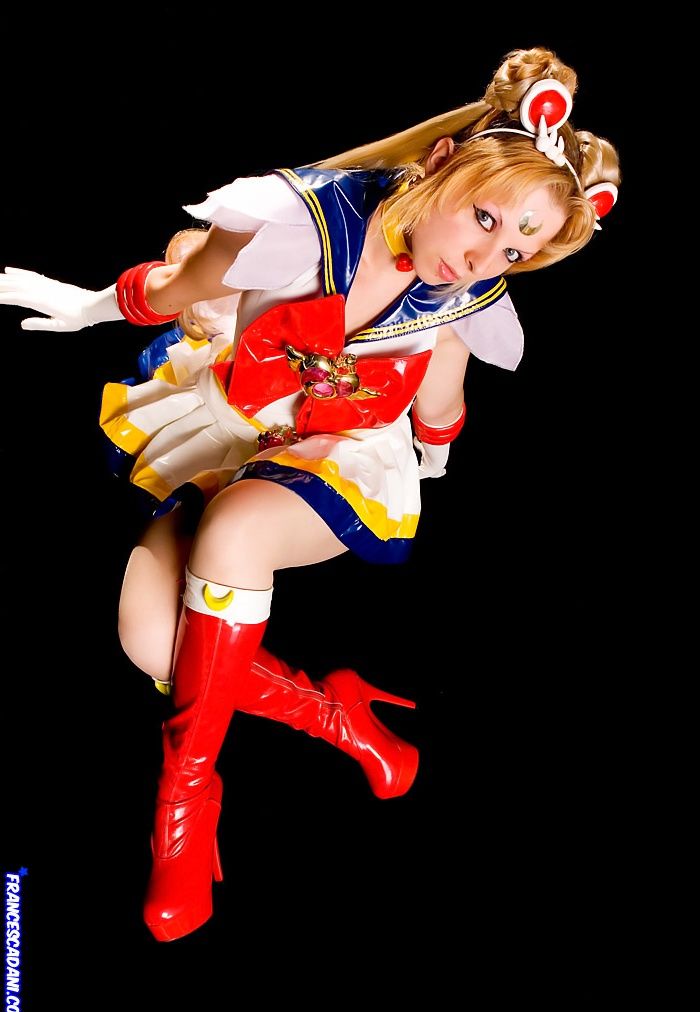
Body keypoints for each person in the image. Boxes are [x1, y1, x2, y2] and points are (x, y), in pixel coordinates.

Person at [0, 46, 620, 943]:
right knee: (149, 639)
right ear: (443, 161)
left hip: (342, 451)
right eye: (485, 217)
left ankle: (183, 810)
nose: (484, 257)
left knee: (237, 535)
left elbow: (441, 400)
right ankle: (343, 718)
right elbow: (179, 285)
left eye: (516, 248)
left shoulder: (470, 296)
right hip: (233, 424)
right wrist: (92, 305)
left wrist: (435, 445)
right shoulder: (298, 219)